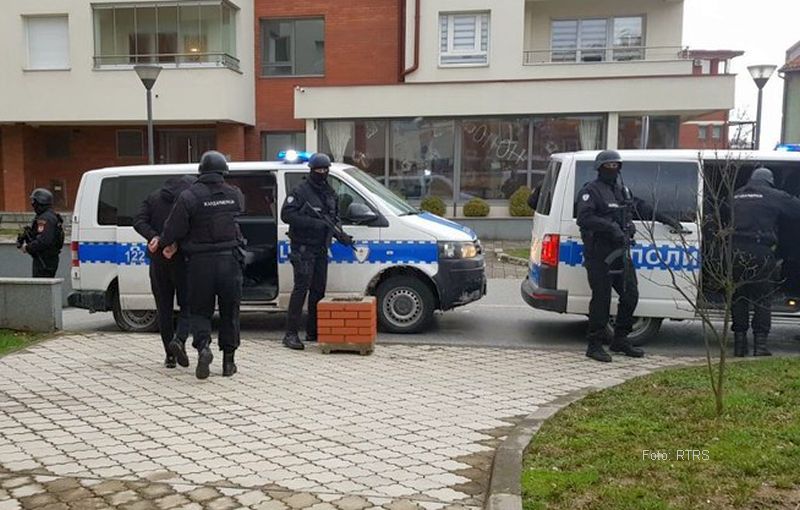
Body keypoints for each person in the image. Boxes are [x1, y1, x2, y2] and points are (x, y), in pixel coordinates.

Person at [576, 150, 682, 362]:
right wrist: (610, 228)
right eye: (609, 166)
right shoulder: (591, 190)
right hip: (599, 253)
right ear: (600, 168)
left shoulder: (622, 191)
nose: (612, 169)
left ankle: (620, 339)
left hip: (620, 252)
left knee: (630, 294)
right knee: (602, 299)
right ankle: (594, 344)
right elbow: (584, 218)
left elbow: (641, 207)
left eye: (616, 166)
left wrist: (667, 219)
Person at [160, 151, 245, 379]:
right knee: (230, 311)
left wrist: (167, 243)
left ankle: (204, 348)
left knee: (200, 310)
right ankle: (229, 362)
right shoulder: (235, 194)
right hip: (230, 261)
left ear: (201, 172)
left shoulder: (189, 196)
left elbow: (173, 228)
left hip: (200, 263)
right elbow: (238, 213)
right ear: (223, 171)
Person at [280, 153, 354, 350]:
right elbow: (286, 214)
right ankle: (290, 334)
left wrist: (341, 235)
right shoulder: (300, 191)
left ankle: (313, 330)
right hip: (303, 247)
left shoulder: (329, 192)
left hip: (321, 247)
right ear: (312, 171)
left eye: (325, 169)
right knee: (301, 289)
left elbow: (333, 219)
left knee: (318, 290)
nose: (322, 173)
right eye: (319, 170)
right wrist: (314, 223)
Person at [730, 167, 800, 357]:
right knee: (762, 298)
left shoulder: (736, 194)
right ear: (770, 181)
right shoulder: (774, 195)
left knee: (739, 297)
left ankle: (739, 346)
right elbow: (796, 210)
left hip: (735, 251)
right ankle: (759, 346)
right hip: (760, 251)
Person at [134, 175, 194, 368]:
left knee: (164, 309)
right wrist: (175, 244)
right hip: (182, 260)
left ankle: (170, 356)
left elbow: (138, 221)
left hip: (158, 261)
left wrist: (154, 237)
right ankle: (179, 341)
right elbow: (190, 227)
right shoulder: (187, 198)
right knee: (188, 306)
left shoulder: (153, 197)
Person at [18, 188, 64, 277]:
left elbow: (43, 240)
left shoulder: (45, 218)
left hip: (44, 260)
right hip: (47, 259)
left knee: (41, 284)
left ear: (40, 202)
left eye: (34, 201)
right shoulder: (50, 215)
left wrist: (27, 247)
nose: (32, 204)